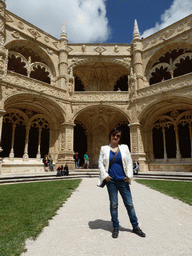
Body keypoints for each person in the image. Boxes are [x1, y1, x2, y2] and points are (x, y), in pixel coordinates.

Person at [97, 127, 146, 239]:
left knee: (129, 204)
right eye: (114, 135)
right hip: (111, 181)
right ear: (110, 135)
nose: (115, 137)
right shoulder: (104, 148)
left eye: (118, 136)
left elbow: (129, 162)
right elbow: (100, 163)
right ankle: (115, 227)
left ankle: (135, 227)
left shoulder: (124, 148)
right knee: (114, 205)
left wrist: (129, 176)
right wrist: (106, 176)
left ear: (120, 138)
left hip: (123, 180)